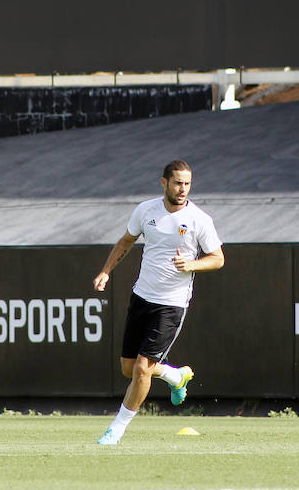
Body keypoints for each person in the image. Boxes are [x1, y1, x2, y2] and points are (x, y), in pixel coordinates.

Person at [93, 159, 224, 445]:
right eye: (178, 182)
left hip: (171, 304)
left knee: (141, 370)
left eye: (187, 183)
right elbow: (126, 241)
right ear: (164, 182)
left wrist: (191, 264)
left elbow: (218, 259)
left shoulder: (200, 219)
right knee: (129, 369)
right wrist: (105, 271)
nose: (183, 189)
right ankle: (174, 376)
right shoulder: (146, 210)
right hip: (142, 297)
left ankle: (116, 429)